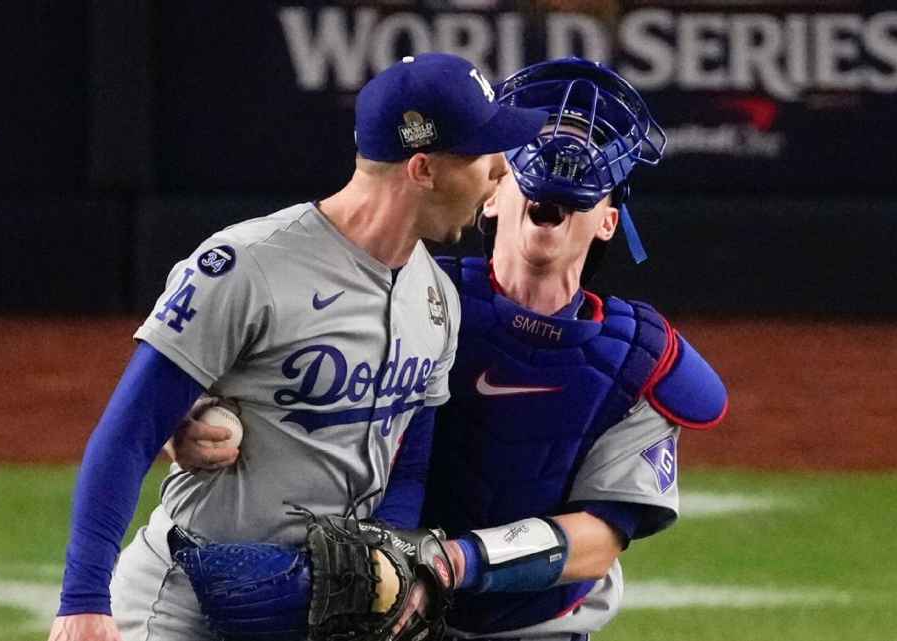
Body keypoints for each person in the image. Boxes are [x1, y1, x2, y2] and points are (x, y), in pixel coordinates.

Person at [175, 58, 728, 641]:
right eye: (539, 152)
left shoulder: (639, 358)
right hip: (374, 612)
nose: (562, 162)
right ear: (490, 193)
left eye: (582, 158)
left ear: (610, 222)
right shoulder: (406, 296)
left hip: (532, 629)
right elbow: (265, 367)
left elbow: (599, 540)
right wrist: (197, 416)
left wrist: (450, 563)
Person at [47, 52, 548, 641]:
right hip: (183, 603)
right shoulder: (246, 267)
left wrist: (389, 569)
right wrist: (84, 598)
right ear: (422, 168)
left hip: (318, 612)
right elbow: (130, 431)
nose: (499, 174)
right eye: (483, 154)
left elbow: (409, 458)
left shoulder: (438, 297)